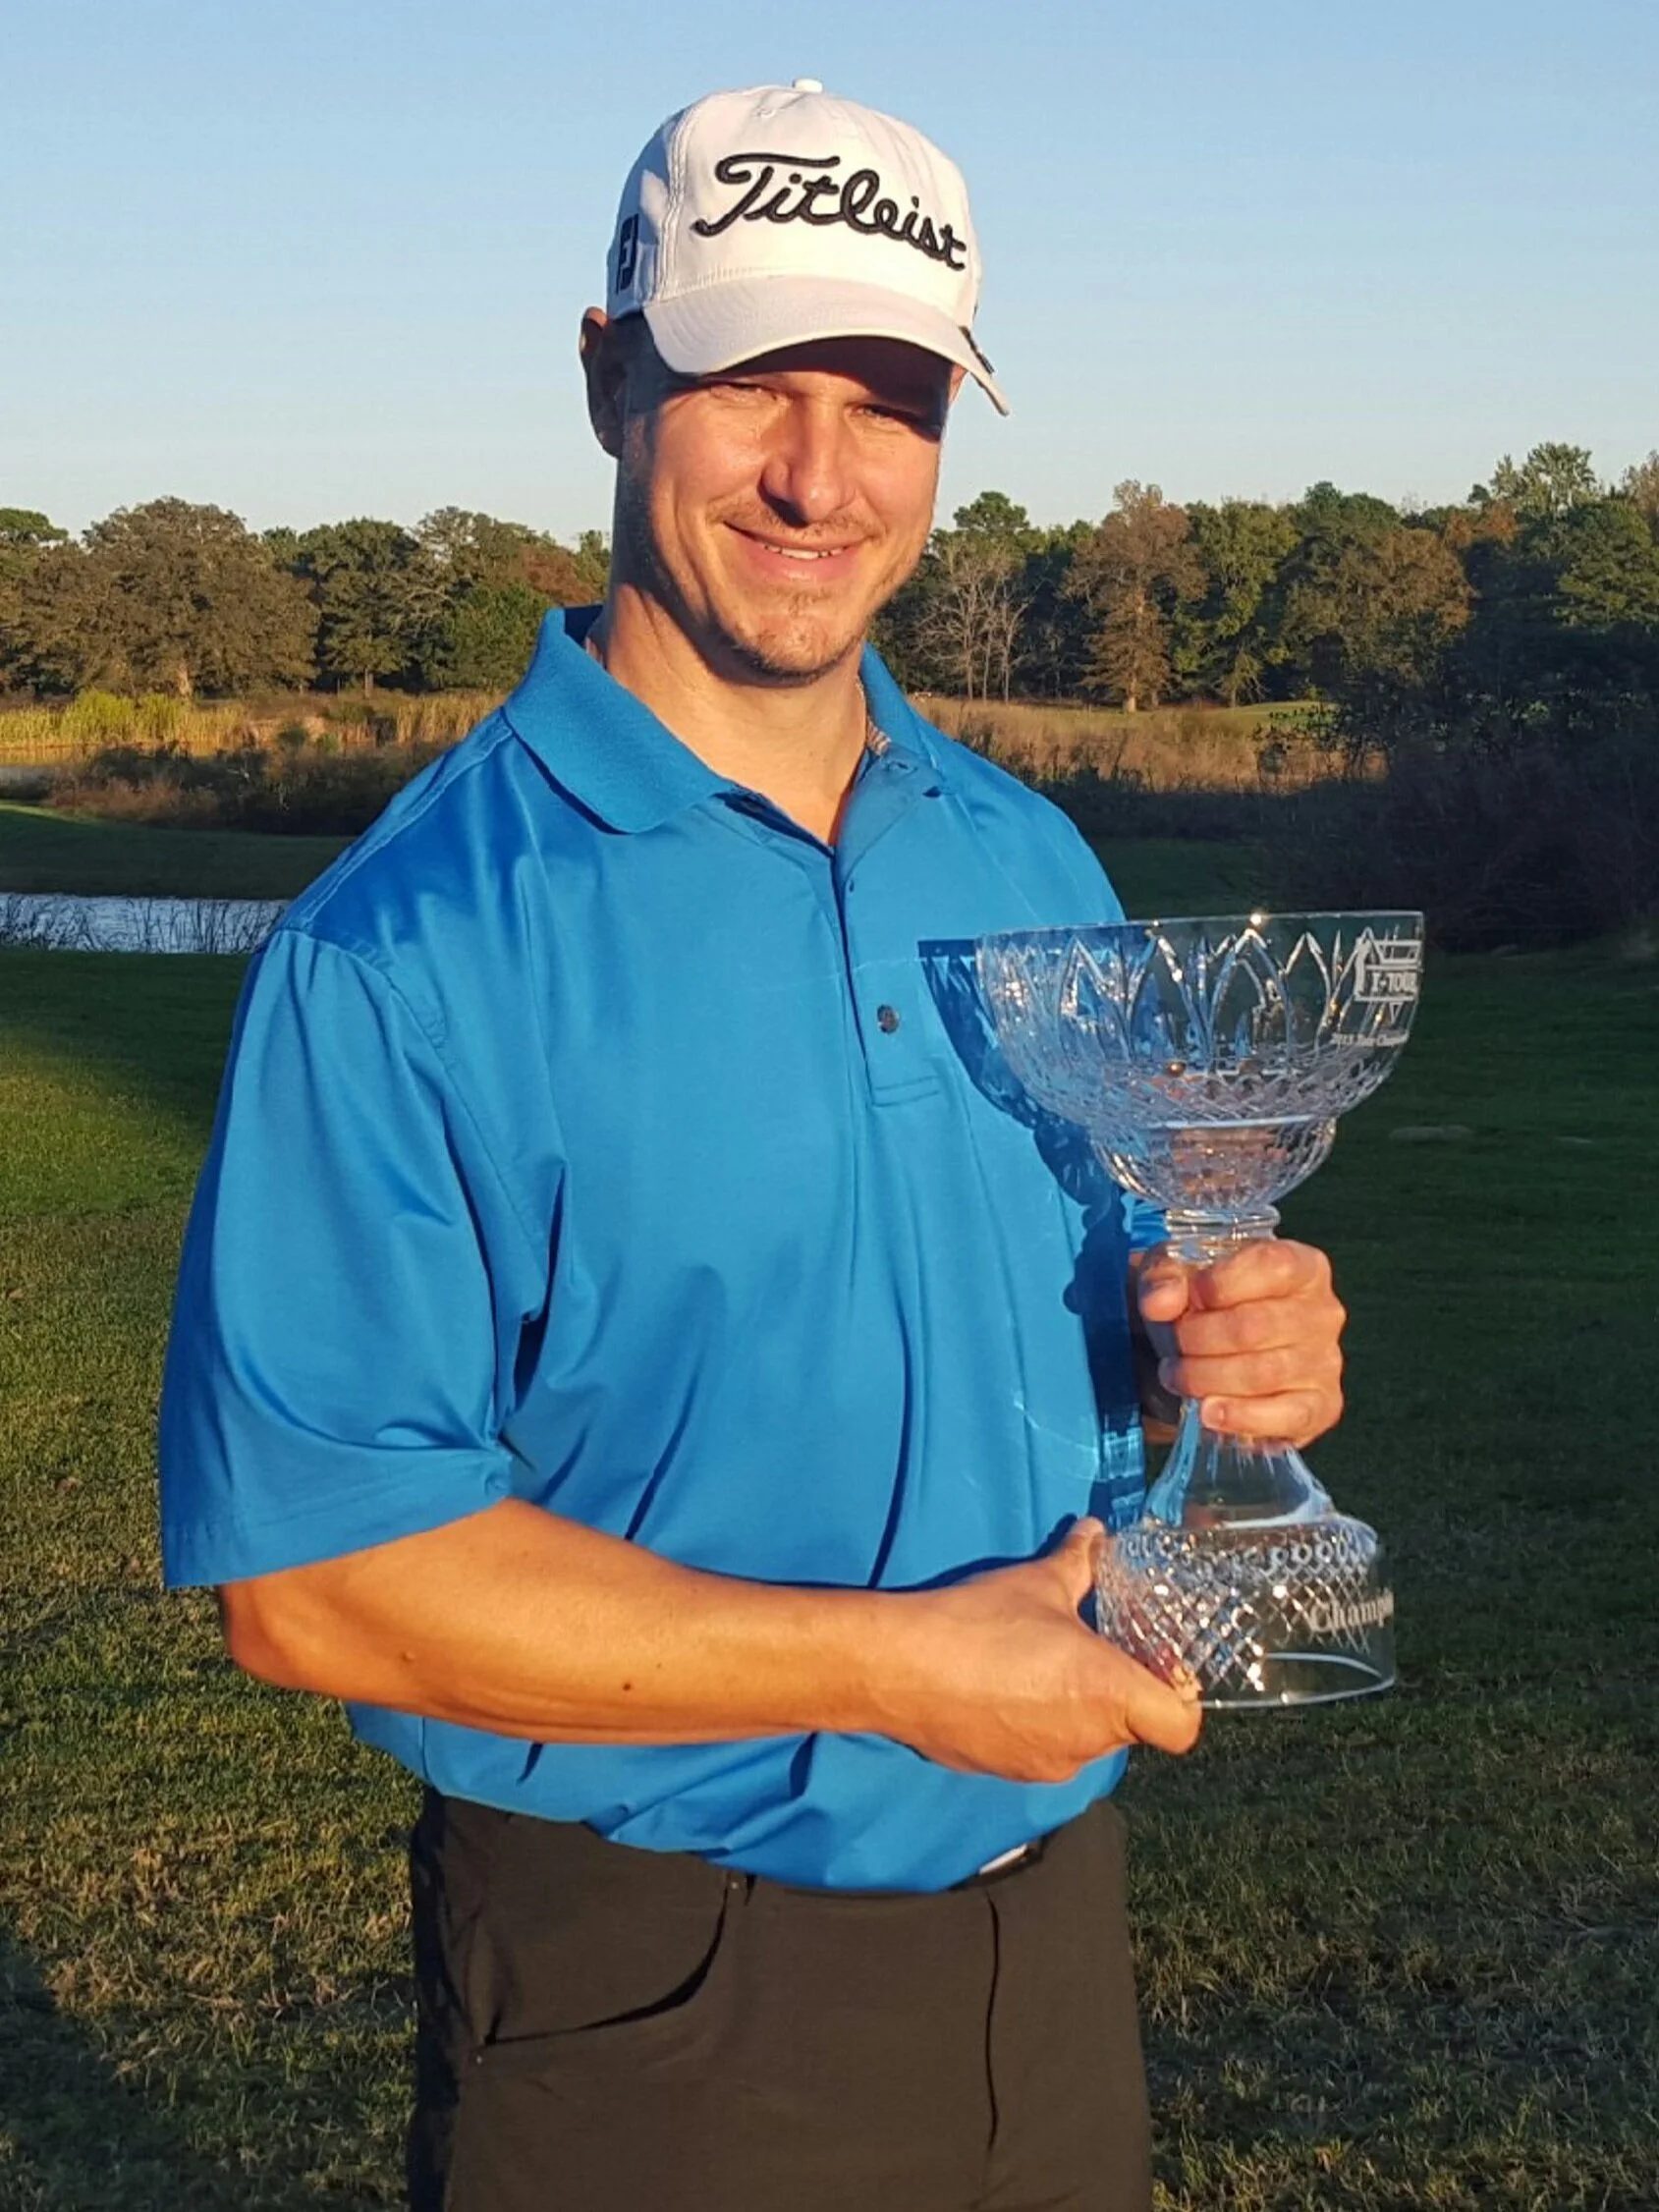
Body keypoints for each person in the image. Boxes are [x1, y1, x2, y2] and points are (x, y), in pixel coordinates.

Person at [159, 79, 1348, 2212]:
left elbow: (1110, 1338)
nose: (822, 477)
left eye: (889, 402)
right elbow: (318, 1581)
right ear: (613, 376)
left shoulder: (1029, 854)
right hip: (656, 1987)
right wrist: (891, 1668)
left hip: (1050, 1939)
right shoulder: (406, 950)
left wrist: (1230, 1351)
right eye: (752, 383)